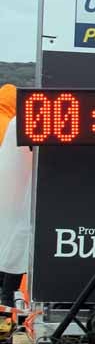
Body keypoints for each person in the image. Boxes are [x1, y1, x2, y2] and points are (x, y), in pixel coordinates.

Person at [0, 84, 32, 309]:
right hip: (20, 197)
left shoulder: (13, 123)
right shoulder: (14, 122)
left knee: (6, 241)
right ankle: (7, 295)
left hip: (6, 194)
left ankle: (4, 296)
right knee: (18, 241)